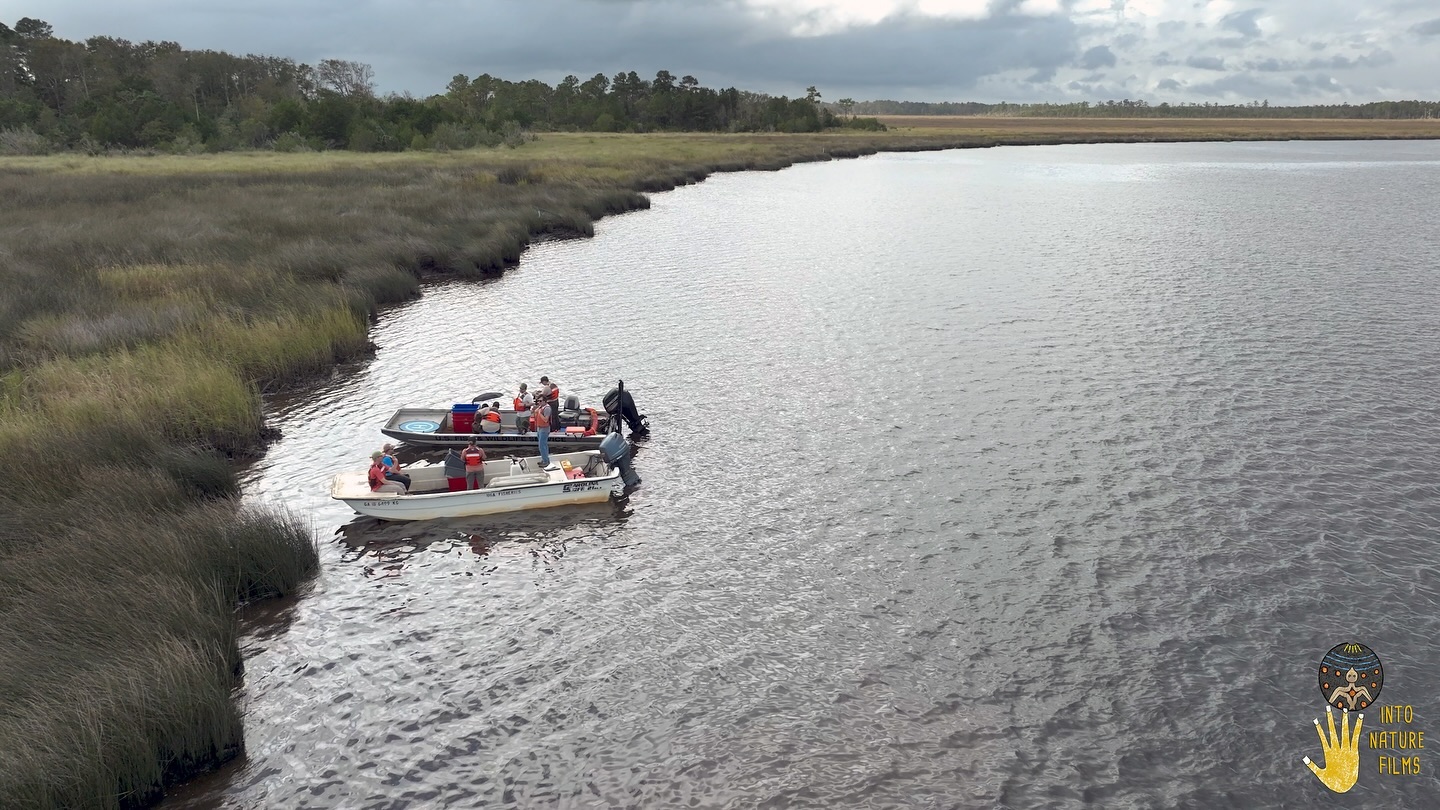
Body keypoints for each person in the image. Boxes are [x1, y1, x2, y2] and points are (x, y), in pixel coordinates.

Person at [533, 396, 552, 468]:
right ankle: (545, 459)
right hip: (539, 428)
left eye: (540, 401)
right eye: (538, 401)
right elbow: (534, 412)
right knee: (543, 445)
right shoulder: (540, 407)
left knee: (542, 446)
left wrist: (540, 413)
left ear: (545, 401)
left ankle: (545, 461)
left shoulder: (547, 408)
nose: (539, 402)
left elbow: (546, 420)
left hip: (544, 429)